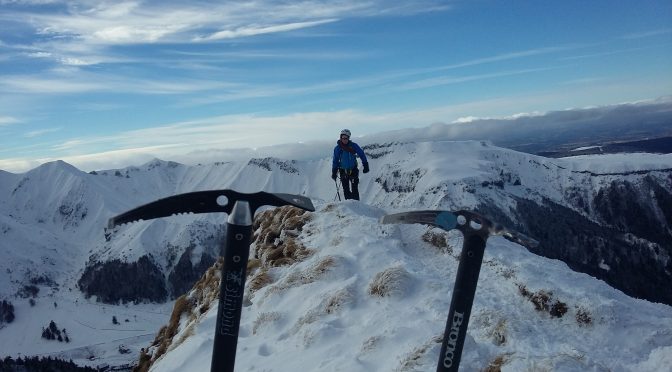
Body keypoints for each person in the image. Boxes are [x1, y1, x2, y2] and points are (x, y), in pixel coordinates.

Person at [331, 129, 369, 200]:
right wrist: (334, 171)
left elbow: (361, 154)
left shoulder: (354, 146)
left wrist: (365, 165)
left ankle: (357, 206)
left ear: (349, 138)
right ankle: (350, 208)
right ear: (340, 137)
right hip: (343, 171)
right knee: (346, 190)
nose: (344, 140)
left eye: (346, 138)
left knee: (355, 189)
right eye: (343, 138)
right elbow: (335, 160)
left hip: (353, 170)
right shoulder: (338, 148)